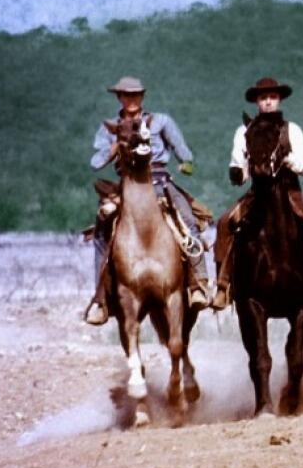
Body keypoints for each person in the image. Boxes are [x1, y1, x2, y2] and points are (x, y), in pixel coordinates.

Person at [84, 76, 210, 325]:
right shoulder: (109, 127)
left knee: (188, 220)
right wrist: (117, 144)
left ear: (142, 96)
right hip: (127, 185)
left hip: (159, 181)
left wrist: (186, 163)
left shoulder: (161, 121)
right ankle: (101, 299)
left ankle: (199, 284)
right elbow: (96, 162)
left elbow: (184, 153)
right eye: (126, 95)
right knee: (101, 231)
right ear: (119, 97)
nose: (132, 99)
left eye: (136, 94)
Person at [210, 77, 303, 311]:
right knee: (225, 223)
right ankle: (223, 286)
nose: (267, 102)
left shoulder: (291, 129)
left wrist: (287, 159)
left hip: (289, 190)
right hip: (258, 191)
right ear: (257, 101)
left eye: (272, 97)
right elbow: (239, 163)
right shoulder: (244, 130)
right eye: (263, 98)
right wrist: (238, 173)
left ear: (279, 100)